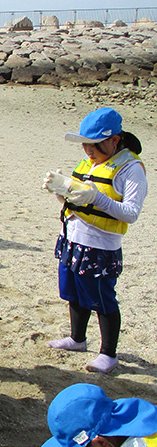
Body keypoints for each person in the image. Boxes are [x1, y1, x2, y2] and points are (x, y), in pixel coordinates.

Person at [43, 107, 147, 374]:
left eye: (95, 146)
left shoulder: (131, 169)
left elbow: (131, 213)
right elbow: (76, 199)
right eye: (85, 146)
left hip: (100, 246)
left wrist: (96, 198)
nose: (89, 152)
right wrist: (60, 191)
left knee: (102, 298)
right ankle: (77, 339)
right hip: (73, 237)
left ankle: (108, 354)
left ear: (115, 140)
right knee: (74, 293)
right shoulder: (89, 162)